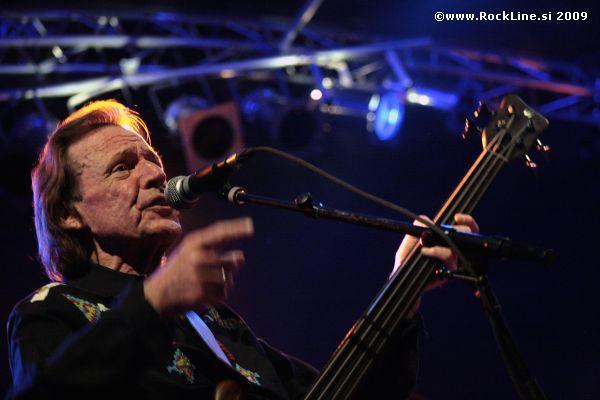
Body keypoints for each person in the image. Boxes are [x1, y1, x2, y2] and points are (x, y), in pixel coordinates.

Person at [6, 100, 480, 399]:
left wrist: (402, 289)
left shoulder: (216, 323)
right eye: (122, 167)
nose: (154, 175)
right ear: (68, 213)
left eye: (152, 160)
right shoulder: (51, 311)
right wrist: (152, 303)